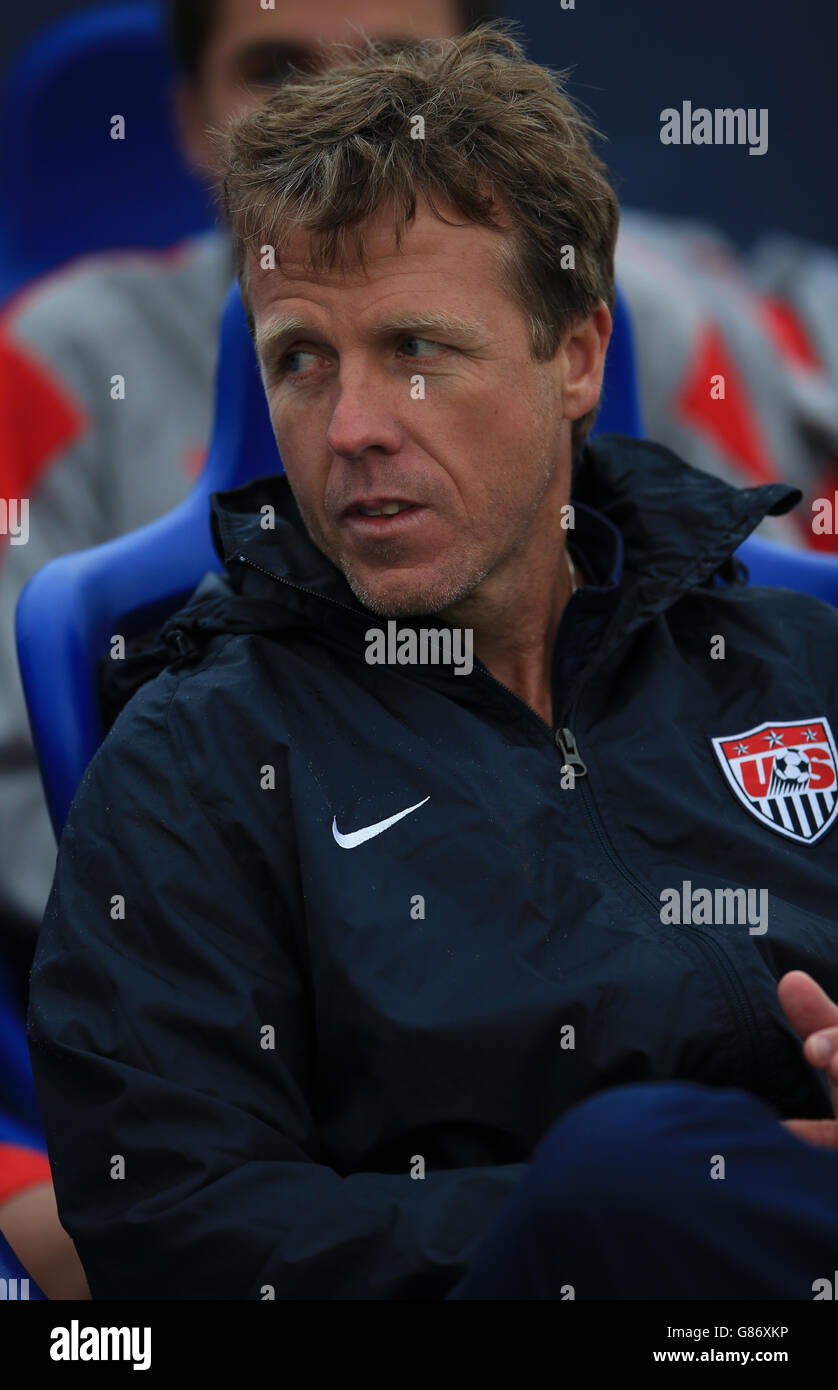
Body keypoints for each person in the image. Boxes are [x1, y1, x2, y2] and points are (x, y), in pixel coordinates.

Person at [26, 25, 838, 1300]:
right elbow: (178, 1227)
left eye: (415, 350)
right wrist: (606, 1217)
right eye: (301, 361)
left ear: (573, 353)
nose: (350, 431)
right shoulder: (195, 763)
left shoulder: (802, 659)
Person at [0, 0, 485, 1299]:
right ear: (186, 119)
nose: (343, 112)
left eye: (396, 72)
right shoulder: (51, 361)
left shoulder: (636, 325)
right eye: (274, 71)